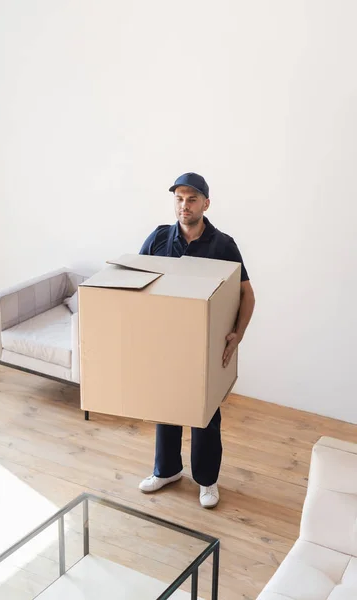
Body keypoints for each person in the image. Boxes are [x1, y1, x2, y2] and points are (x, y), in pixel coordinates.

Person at [138, 172, 255, 508]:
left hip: (206, 343)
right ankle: (167, 470)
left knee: (205, 410)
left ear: (206, 203)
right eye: (179, 199)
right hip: (166, 341)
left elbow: (247, 294)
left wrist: (238, 335)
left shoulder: (222, 245)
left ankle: (207, 480)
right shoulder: (159, 239)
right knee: (167, 403)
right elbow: (136, 283)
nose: (184, 205)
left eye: (191, 199)